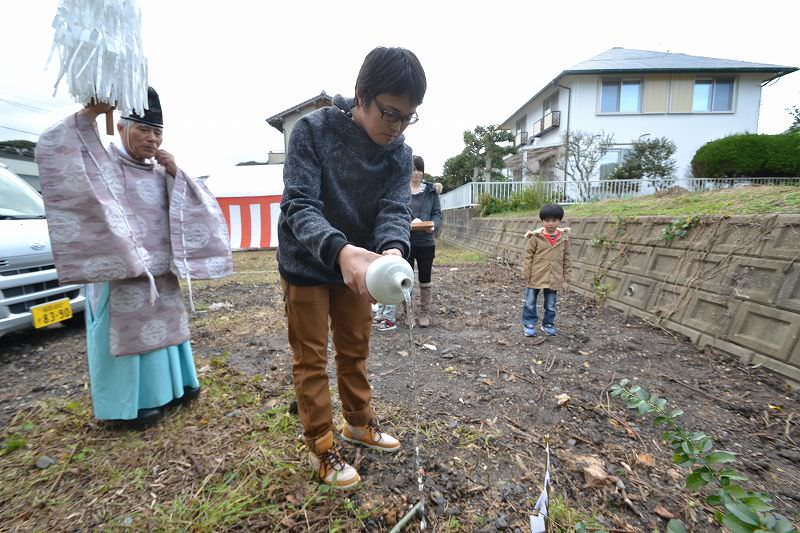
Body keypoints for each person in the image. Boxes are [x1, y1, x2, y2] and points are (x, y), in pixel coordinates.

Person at [35, 87, 232, 430]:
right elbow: (60, 151)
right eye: (143, 129)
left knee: (168, 331)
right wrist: (89, 114)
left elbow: (199, 209)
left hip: (162, 276)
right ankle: (129, 406)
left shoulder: (160, 172)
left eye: (158, 132)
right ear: (122, 128)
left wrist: (176, 174)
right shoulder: (104, 165)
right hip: (122, 275)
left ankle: (176, 387)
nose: (152, 139)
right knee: (127, 338)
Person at [277, 46, 426, 489]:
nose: (397, 127)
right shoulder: (312, 131)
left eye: (408, 117)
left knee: (355, 347)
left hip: (361, 266)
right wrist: (340, 251)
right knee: (310, 358)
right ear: (362, 96)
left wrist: (394, 251)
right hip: (307, 261)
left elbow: (395, 207)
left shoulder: (399, 152)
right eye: (390, 113)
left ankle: (358, 424)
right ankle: (321, 446)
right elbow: (298, 205)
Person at [521, 204, 571, 337]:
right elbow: (528, 256)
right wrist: (526, 273)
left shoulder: (564, 238)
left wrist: (567, 277)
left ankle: (548, 324)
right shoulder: (535, 237)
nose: (550, 224)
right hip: (536, 275)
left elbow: (567, 259)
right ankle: (529, 324)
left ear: (559, 221)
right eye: (547, 220)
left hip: (554, 276)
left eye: (554, 220)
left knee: (551, 304)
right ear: (542, 221)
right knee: (530, 302)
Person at [405, 155, 442, 327]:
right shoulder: (401, 190)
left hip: (426, 242)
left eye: (419, 169)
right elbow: (395, 212)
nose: (416, 173)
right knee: (406, 279)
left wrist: (433, 225)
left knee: (425, 279)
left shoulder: (431, 191)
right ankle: (408, 313)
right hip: (406, 241)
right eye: (413, 169)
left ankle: (424, 313)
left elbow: (437, 214)